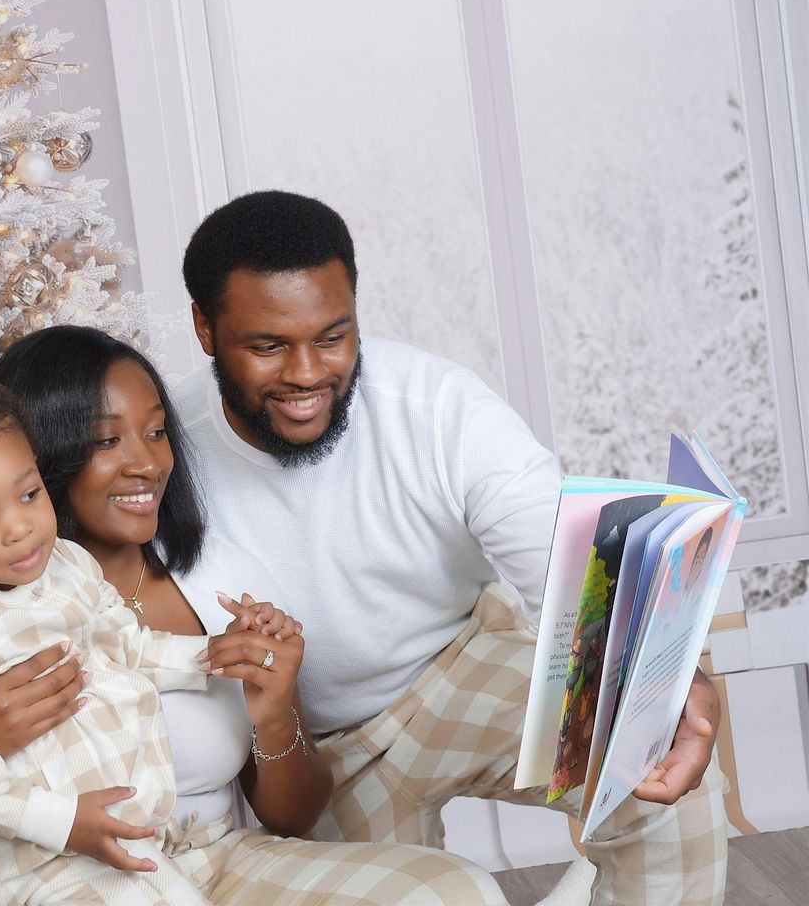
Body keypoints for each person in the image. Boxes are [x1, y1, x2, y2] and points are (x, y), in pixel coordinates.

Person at [171, 189, 728, 905]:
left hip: (462, 665)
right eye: (268, 346)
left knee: (660, 760)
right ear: (205, 328)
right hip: (321, 753)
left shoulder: (436, 405)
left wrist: (671, 684)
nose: (307, 374)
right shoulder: (162, 454)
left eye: (333, 337)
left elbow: (565, 559)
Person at [0, 325, 510, 906]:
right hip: (73, 876)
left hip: (220, 859)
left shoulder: (219, 576)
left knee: (455, 892)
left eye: (157, 432)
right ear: (40, 452)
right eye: (107, 440)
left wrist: (273, 706)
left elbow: (295, 817)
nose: (148, 463)